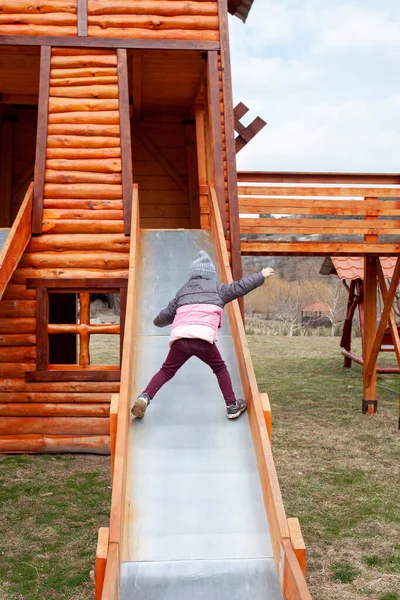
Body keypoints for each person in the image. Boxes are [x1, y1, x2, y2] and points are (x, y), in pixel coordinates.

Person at [131, 250, 274, 420]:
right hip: (202, 339)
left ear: (192, 275)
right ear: (211, 274)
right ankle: (231, 405)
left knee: (166, 370)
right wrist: (261, 275)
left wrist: (156, 322)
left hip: (181, 338)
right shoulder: (218, 288)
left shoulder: (182, 291)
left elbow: (166, 315)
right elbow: (240, 287)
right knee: (219, 368)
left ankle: (144, 397)